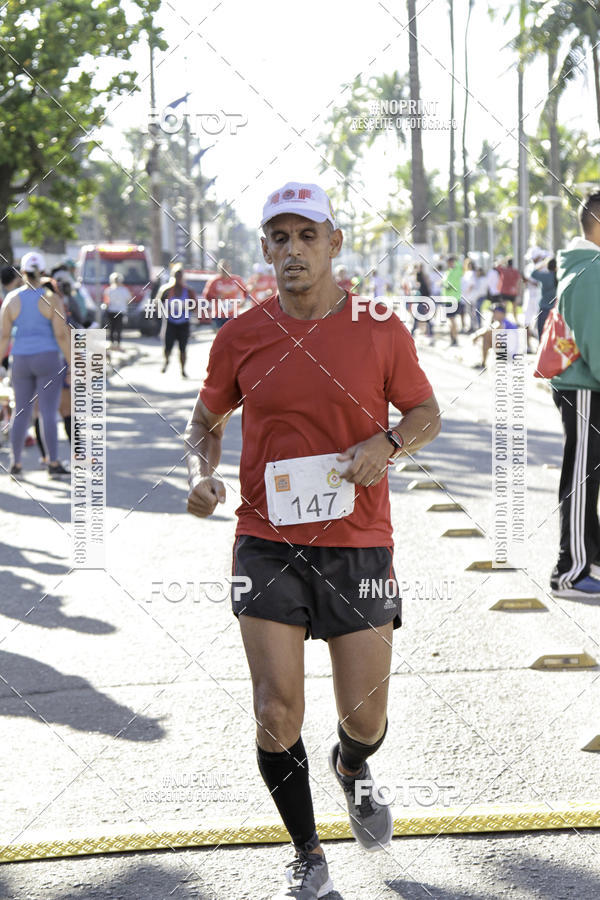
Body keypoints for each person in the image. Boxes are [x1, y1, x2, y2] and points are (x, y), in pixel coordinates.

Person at [184, 181, 441, 900]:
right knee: (275, 710)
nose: (292, 249)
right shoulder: (242, 334)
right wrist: (201, 474)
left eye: (306, 235)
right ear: (264, 249)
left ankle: (353, 768)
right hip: (265, 539)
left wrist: (386, 443)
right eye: (278, 237)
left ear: (334, 242)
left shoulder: (380, 326)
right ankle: (307, 852)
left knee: (365, 715)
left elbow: (425, 411)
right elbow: (204, 422)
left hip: (358, 543)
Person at [549, 194, 600, 599]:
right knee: (582, 477)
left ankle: (590, 557)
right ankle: (571, 572)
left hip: (586, 385)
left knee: (588, 476)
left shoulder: (585, 266)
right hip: (585, 387)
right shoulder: (591, 270)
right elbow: (596, 341)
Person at [0, 251, 71, 477]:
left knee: (21, 411)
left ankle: (16, 462)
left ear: (22, 272)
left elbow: (3, 336)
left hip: (20, 359)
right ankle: (53, 462)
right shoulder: (52, 298)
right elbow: (61, 335)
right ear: (42, 272)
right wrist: (73, 364)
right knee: (48, 413)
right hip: (48, 358)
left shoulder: (12, 299)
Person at [157, 263, 198, 378]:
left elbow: (195, 306)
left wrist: (189, 308)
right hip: (170, 322)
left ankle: (183, 370)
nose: (178, 278)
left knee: (183, 348)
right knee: (167, 346)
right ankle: (166, 361)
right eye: (176, 275)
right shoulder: (166, 290)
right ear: (172, 276)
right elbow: (157, 304)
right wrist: (165, 311)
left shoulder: (188, 291)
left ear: (182, 277)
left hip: (184, 323)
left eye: (180, 276)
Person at [471, 302, 520, 368]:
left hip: (509, 354)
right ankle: (484, 363)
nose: (493, 314)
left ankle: (483, 363)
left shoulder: (502, 323)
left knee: (487, 336)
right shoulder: (505, 322)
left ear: (501, 313)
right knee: (489, 336)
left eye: (495, 312)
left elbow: (488, 330)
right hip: (510, 353)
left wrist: (476, 336)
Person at [204, 259, 248, 329]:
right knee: (220, 337)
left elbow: (245, 291)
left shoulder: (236, 279)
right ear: (219, 269)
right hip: (218, 315)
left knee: (232, 337)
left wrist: (244, 300)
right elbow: (207, 296)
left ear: (230, 268)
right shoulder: (214, 281)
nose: (224, 270)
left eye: (226, 267)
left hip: (233, 314)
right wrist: (216, 297)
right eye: (222, 268)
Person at [528, 251, 557, 339]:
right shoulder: (559, 276)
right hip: (556, 309)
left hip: (544, 308)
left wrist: (543, 264)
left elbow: (533, 273)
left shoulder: (545, 276)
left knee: (542, 333)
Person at [103, 272, 130, 348]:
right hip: (120, 311)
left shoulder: (108, 290)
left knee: (111, 328)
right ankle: (118, 344)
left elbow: (106, 302)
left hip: (111, 311)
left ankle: (112, 343)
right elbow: (128, 300)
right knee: (119, 328)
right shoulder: (124, 290)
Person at [442, 255, 462, 346]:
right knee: (451, 320)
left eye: (451, 262)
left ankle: (454, 338)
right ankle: (453, 337)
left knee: (452, 320)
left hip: (453, 299)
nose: (450, 263)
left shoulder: (457, 270)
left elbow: (460, 265)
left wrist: (455, 260)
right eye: (448, 262)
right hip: (447, 299)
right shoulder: (448, 272)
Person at [461, 257, 478, 333]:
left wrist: (467, 291)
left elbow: (472, 284)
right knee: (469, 312)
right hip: (466, 296)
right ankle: (471, 326)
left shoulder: (472, 273)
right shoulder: (465, 273)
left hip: (471, 296)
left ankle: (473, 326)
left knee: (472, 312)